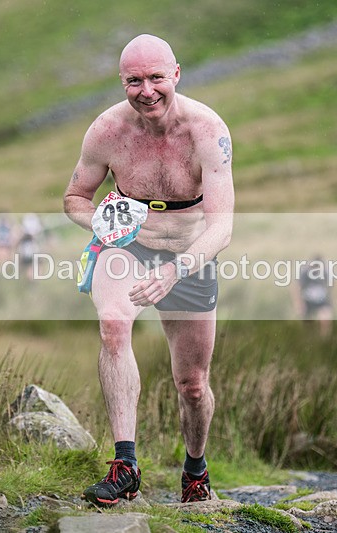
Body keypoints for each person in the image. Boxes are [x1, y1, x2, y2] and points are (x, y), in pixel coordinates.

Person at [63, 34, 234, 507]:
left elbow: (222, 228)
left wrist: (177, 270)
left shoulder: (207, 130)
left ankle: (195, 471)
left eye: (156, 78)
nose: (146, 91)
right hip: (128, 248)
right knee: (114, 326)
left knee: (193, 385)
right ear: (122, 82)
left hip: (191, 254)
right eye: (134, 81)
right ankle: (125, 466)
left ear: (176, 74)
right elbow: (75, 197)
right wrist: (100, 221)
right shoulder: (105, 131)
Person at [292, 255, 333, 339]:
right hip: (308, 301)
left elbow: (333, 286)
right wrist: (299, 304)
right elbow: (296, 288)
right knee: (307, 323)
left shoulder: (325, 273)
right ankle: (308, 339)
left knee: (325, 319)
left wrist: (332, 301)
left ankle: (324, 339)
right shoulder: (305, 273)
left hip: (322, 301)